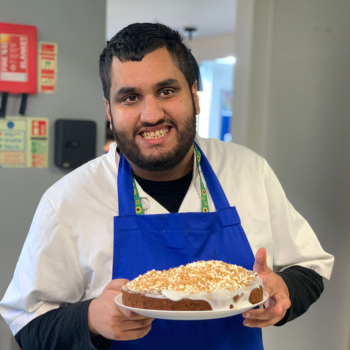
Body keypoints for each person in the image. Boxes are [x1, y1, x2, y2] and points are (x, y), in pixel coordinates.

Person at [0, 23, 334, 350]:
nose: (151, 114)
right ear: (110, 112)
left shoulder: (248, 172)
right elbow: (28, 326)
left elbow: (310, 267)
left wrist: (284, 290)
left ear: (194, 96)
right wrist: (89, 319)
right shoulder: (69, 200)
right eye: (130, 98)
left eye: (166, 91)